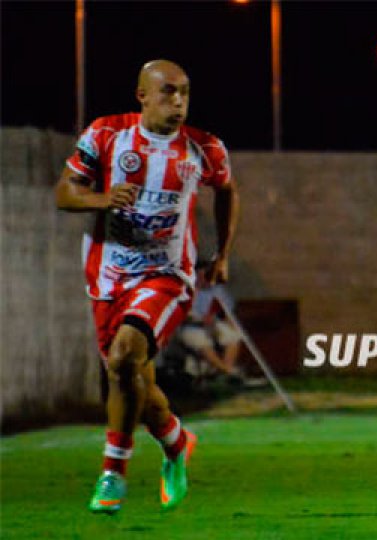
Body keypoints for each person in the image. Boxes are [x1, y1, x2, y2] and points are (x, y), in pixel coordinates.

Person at [55, 59, 239, 514]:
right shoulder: (105, 135)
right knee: (131, 378)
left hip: (167, 276)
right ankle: (177, 442)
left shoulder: (204, 147)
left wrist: (223, 253)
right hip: (108, 276)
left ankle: (112, 474)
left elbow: (228, 191)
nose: (178, 102)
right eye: (168, 92)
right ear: (142, 95)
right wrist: (100, 198)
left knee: (123, 357)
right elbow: (64, 192)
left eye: (185, 94)